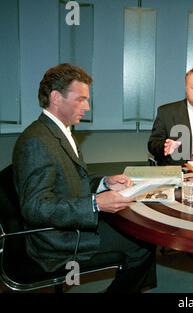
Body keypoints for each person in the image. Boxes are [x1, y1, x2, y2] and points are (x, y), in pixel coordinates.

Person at [12, 63, 157, 293]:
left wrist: (105, 182)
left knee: (140, 235)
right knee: (143, 244)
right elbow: (35, 207)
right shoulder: (37, 141)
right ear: (57, 98)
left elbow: (71, 184)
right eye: (81, 99)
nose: (87, 107)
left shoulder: (59, 131)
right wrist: (94, 203)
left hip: (70, 225)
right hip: (56, 240)